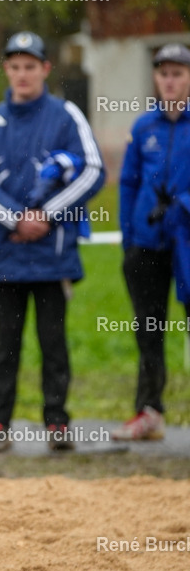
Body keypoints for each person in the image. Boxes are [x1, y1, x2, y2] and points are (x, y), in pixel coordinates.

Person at [0, 31, 105, 452]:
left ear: (45, 68)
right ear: (6, 69)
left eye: (31, 65)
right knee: (5, 344)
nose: (23, 73)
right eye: (15, 66)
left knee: (54, 344)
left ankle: (57, 423)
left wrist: (46, 214)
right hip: (4, 255)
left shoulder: (66, 116)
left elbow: (93, 170)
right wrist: (14, 217)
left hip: (54, 256)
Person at [114, 42, 190, 440]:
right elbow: (128, 183)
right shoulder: (144, 127)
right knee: (149, 327)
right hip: (147, 245)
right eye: (163, 73)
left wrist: (183, 204)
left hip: (188, 243)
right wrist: (130, 236)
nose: (170, 81)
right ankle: (149, 410)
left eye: (178, 73)